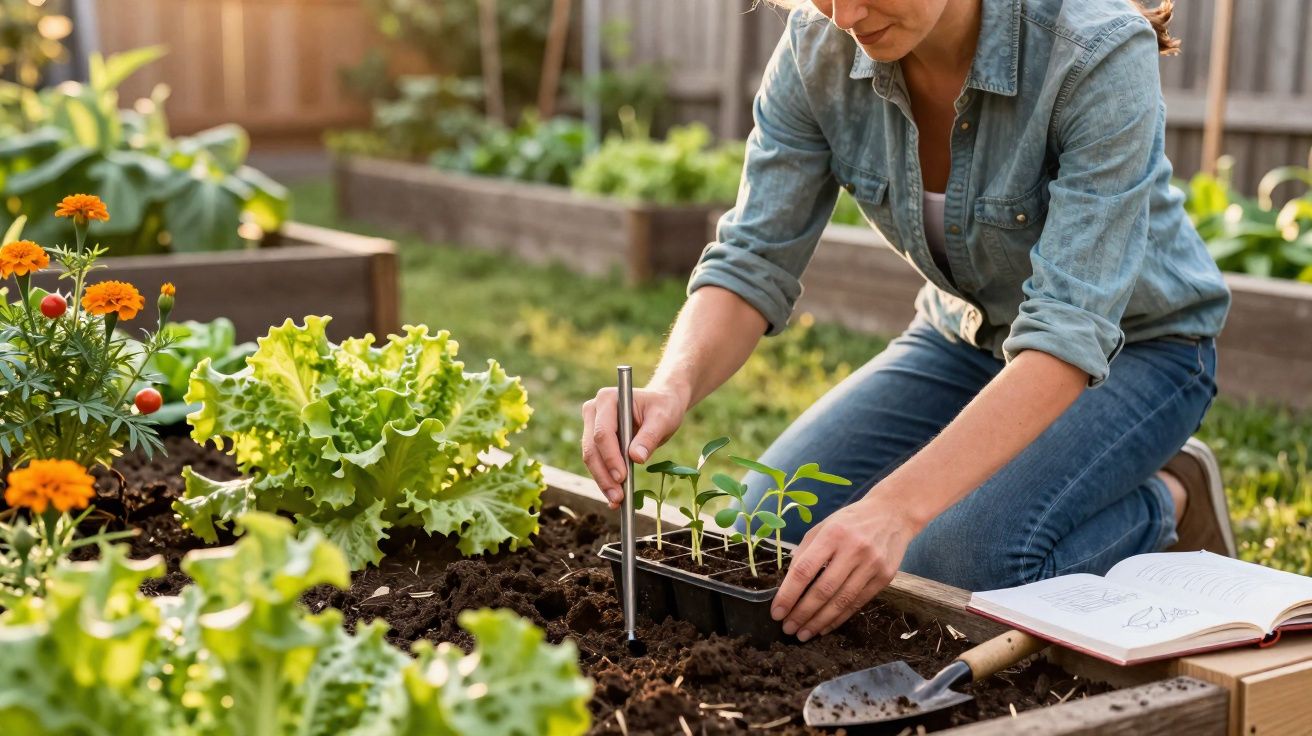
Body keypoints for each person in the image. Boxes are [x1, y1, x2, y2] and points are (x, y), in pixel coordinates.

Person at [580, 0, 1234, 645]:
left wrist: (894, 509)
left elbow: (1069, 331)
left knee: (957, 566)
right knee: (764, 532)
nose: (845, 16)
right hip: (964, 337)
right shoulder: (817, 49)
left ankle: (1170, 495)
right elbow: (753, 257)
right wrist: (671, 386)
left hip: (1139, 351)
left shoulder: (1095, 51)